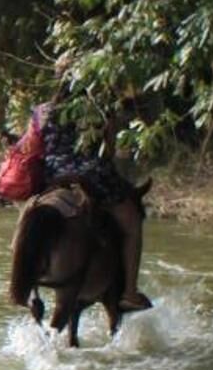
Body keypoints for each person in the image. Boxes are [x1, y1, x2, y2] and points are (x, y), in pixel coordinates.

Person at [33, 100, 151, 313]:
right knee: (133, 224)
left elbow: (35, 145)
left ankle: (29, 280)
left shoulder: (41, 110)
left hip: (52, 176)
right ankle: (130, 293)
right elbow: (108, 150)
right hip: (91, 176)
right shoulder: (98, 107)